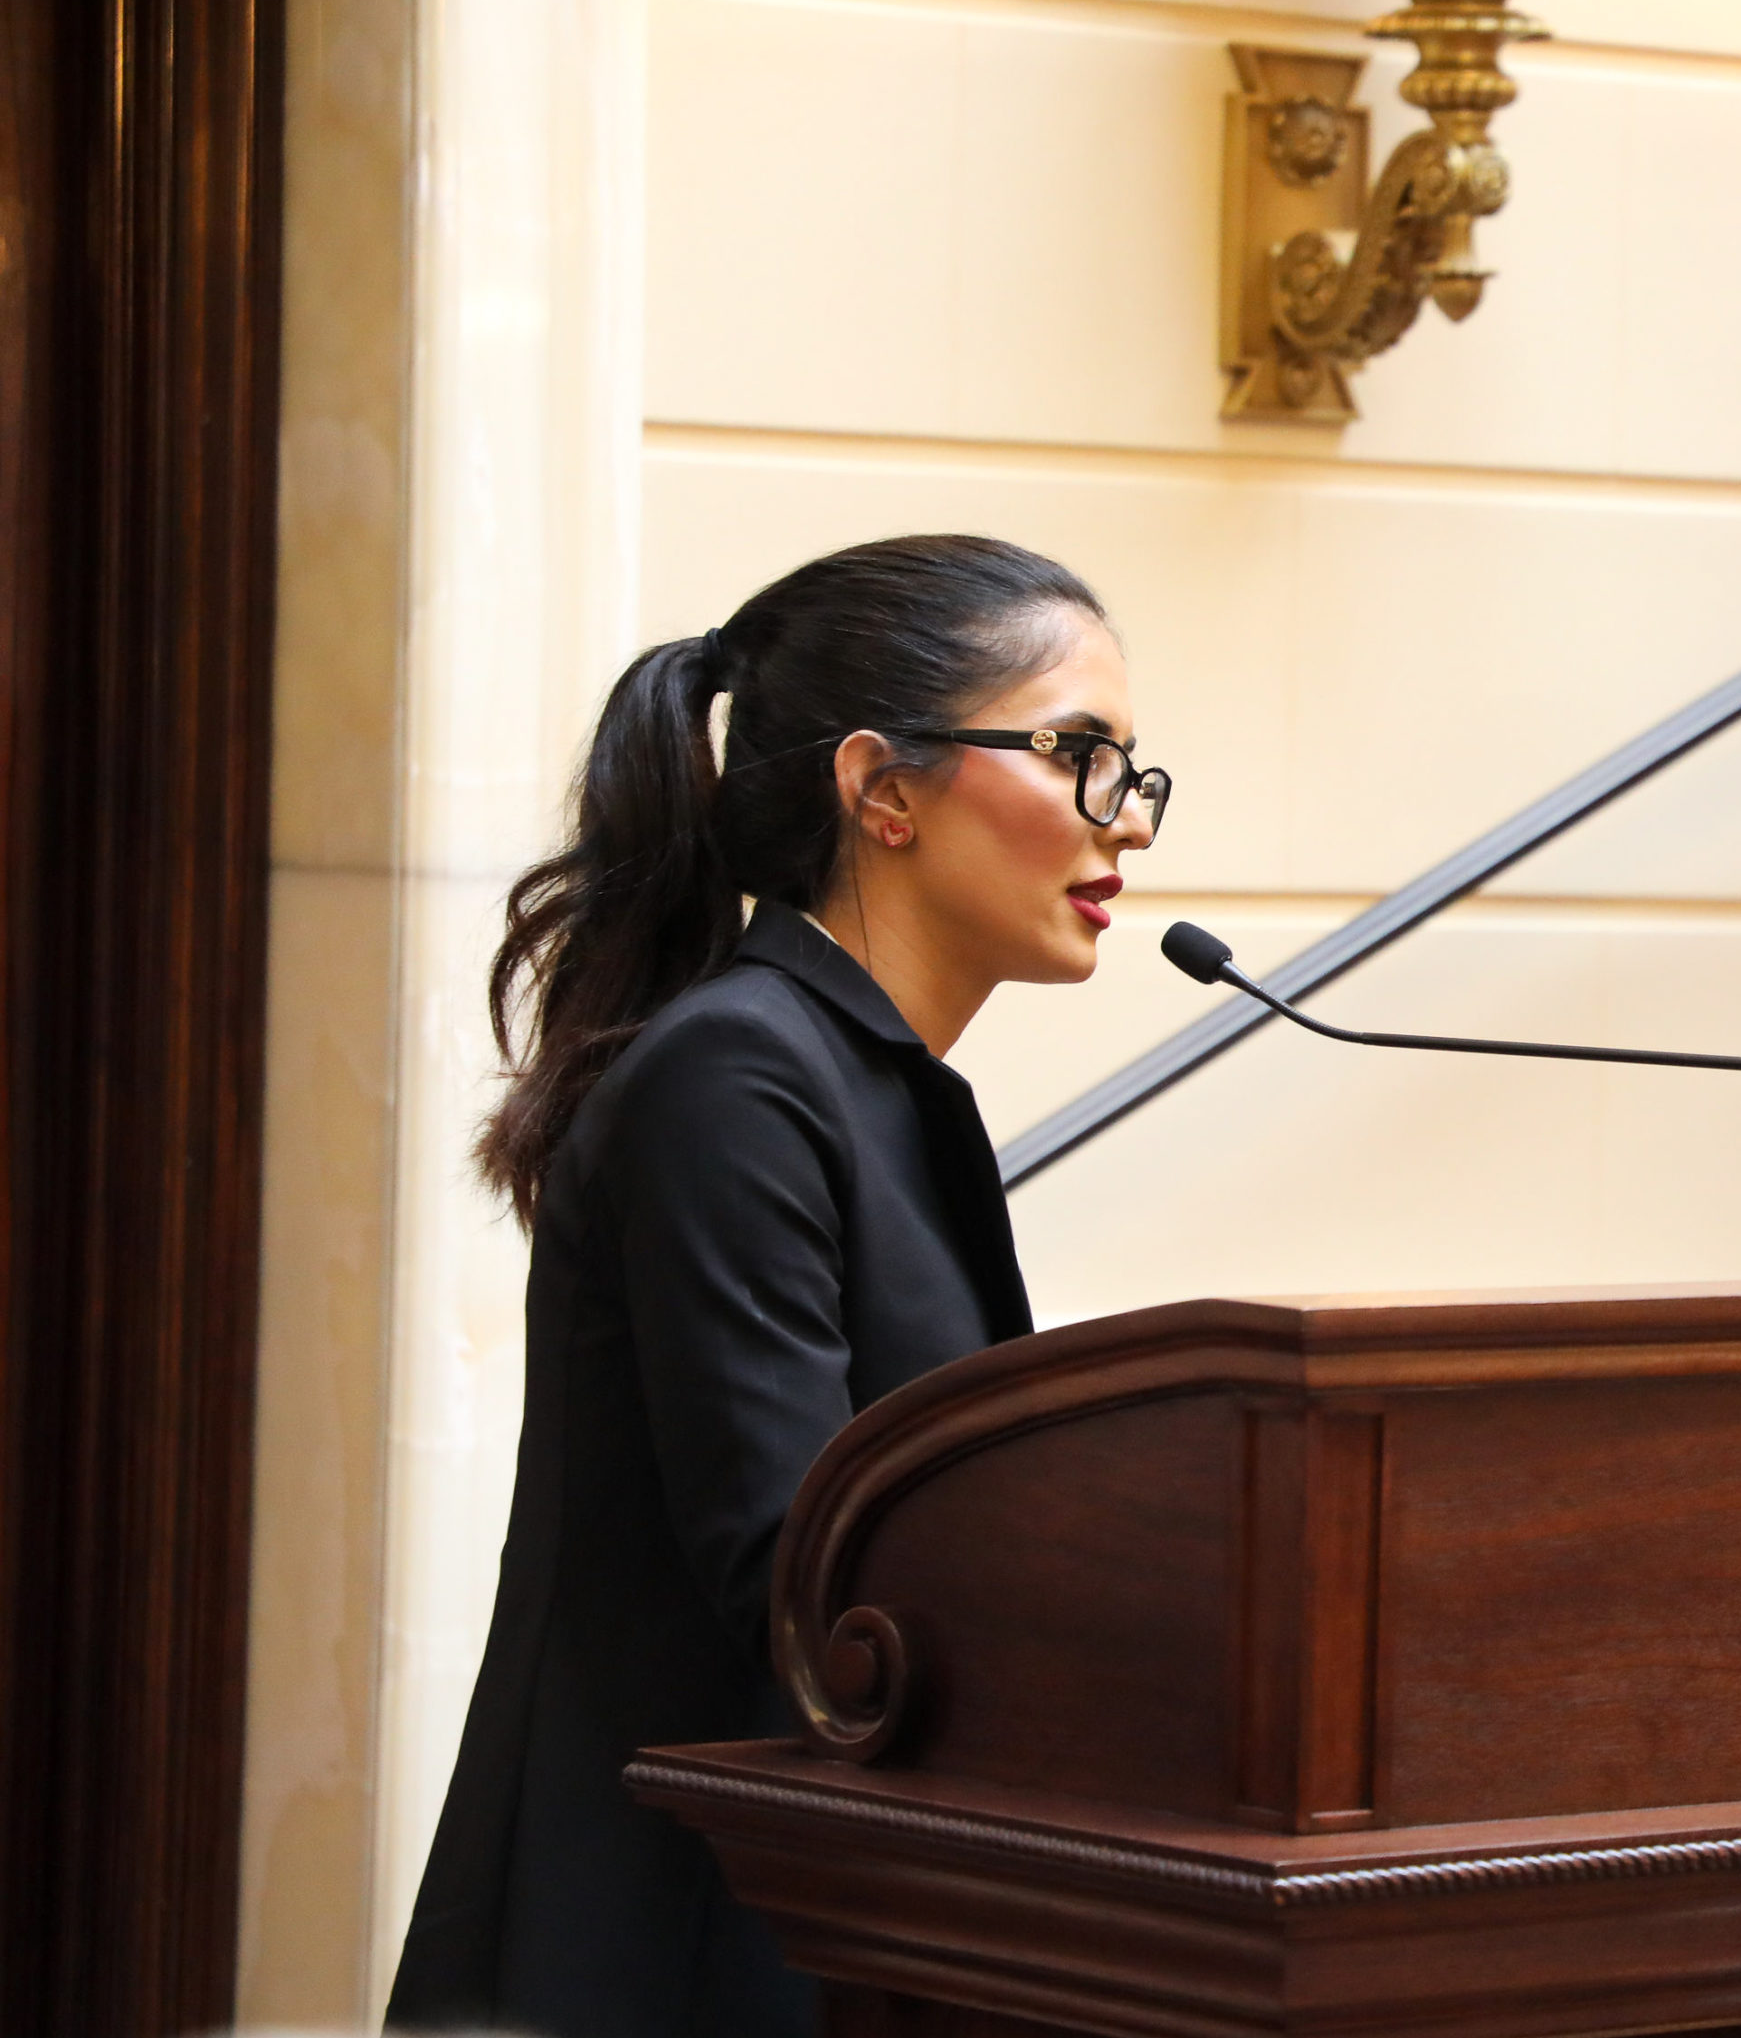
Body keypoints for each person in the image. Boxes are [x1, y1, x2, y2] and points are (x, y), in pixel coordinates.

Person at [385, 535, 1167, 2038]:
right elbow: (804, 1570)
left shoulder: (859, 1082)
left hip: (812, 1921)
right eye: (1079, 753)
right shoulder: (741, 1074)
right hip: (676, 1944)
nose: (1124, 818)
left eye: (1131, 770)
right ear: (881, 788)